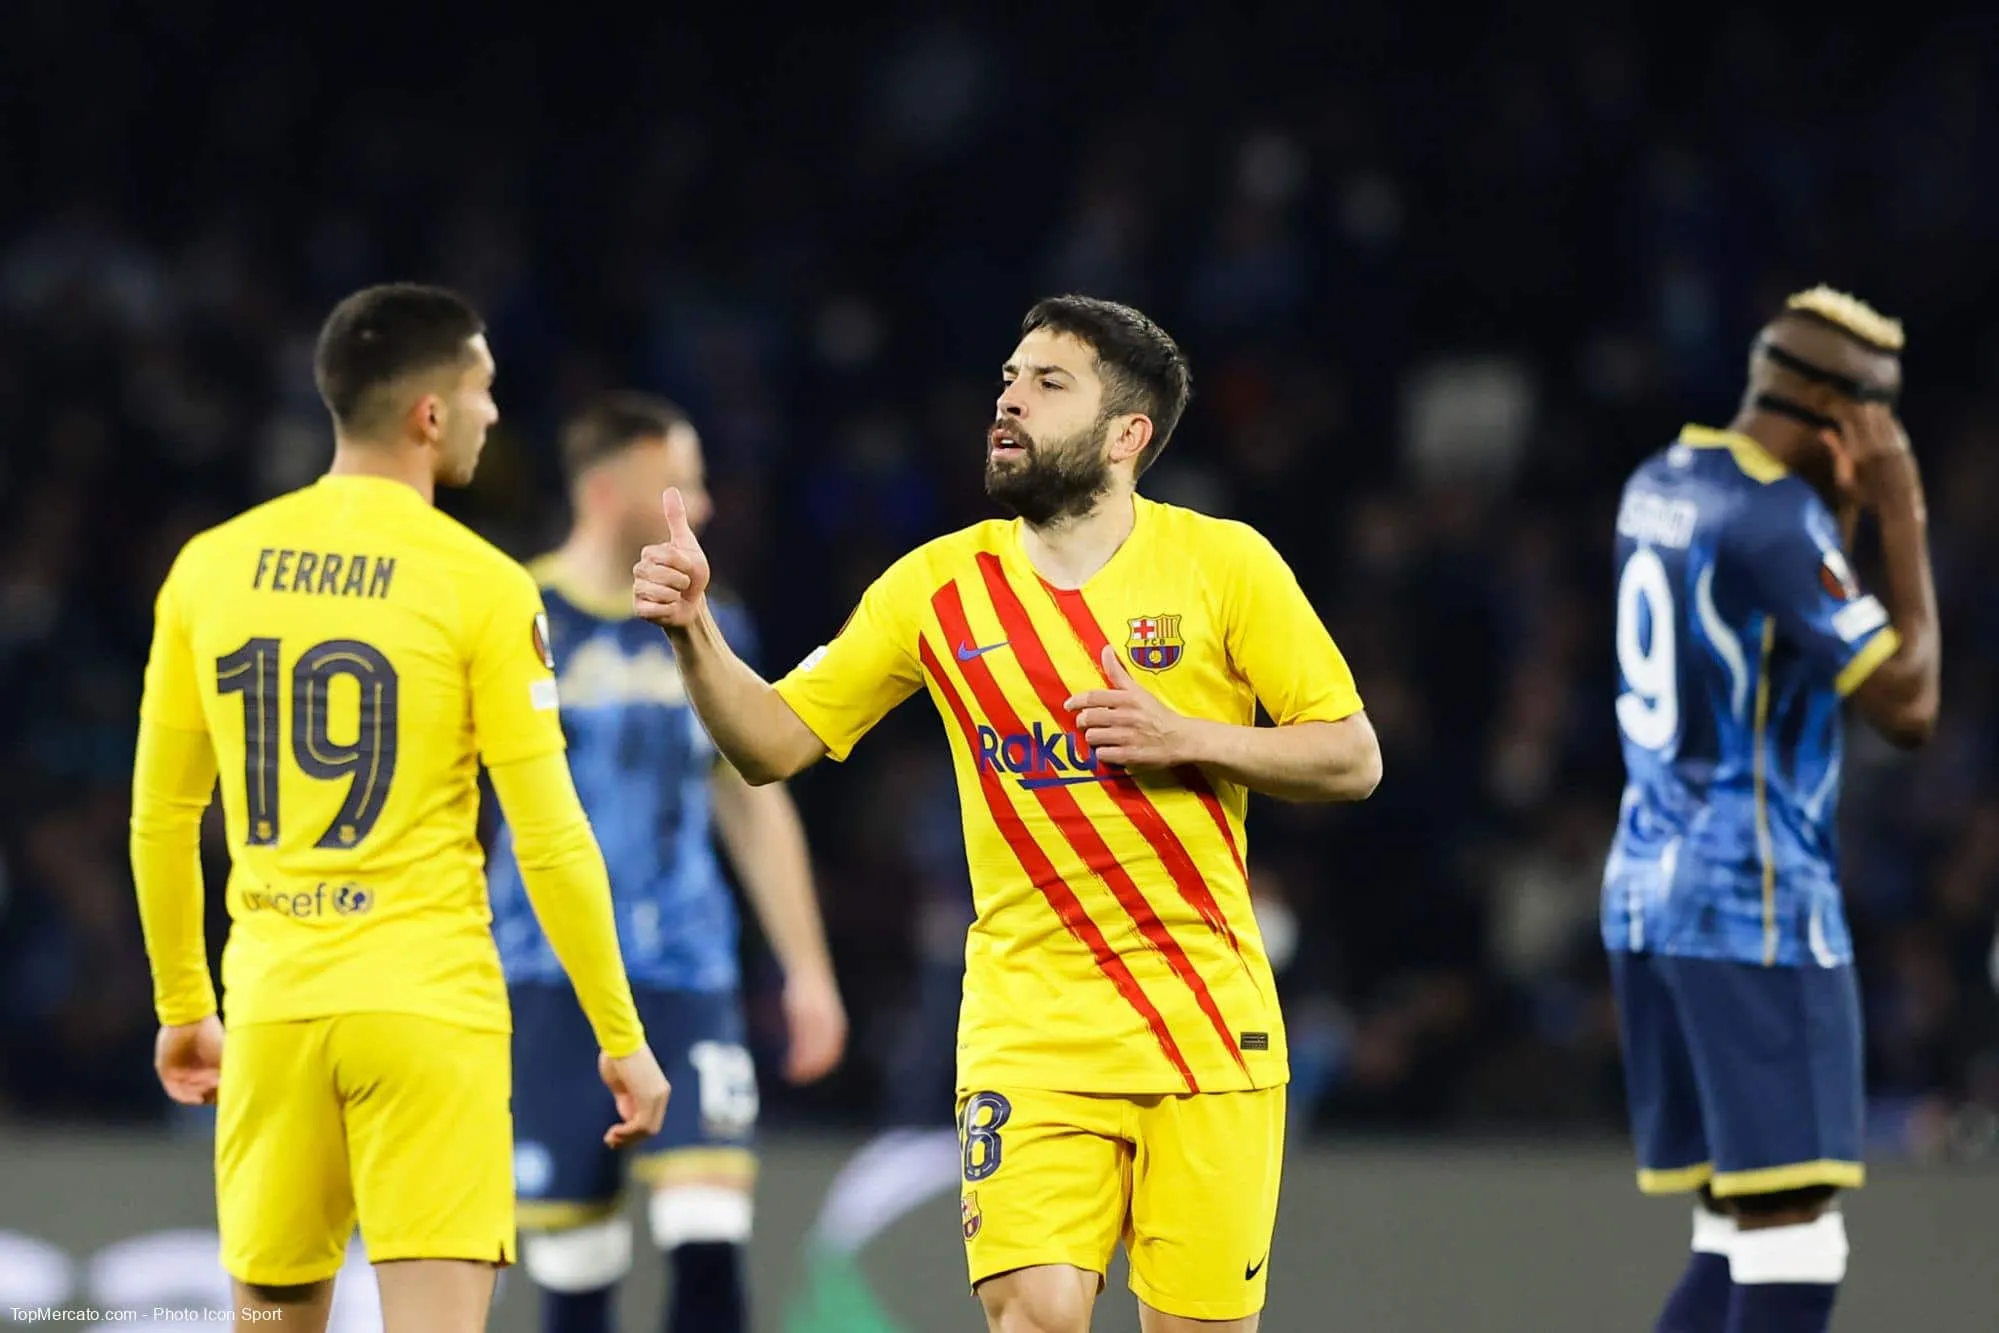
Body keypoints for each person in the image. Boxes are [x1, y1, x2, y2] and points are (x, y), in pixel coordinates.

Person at [634, 294, 1383, 1333]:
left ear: (1128, 435)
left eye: (1046, 383)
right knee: (1031, 1314)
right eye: (1006, 379)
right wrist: (693, 633)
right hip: (1028, 1031)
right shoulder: (935, 587)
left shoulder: (1224, 565)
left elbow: (1351, 755)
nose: (1008, 401)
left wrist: (1191, 736)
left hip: (1206, 1026)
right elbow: (768, 744)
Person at [129, 283, 670, 1333]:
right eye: (483, 390)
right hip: (429, 1013)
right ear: (430, 413)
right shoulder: (483, 584)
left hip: (276, 1011)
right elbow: (549, 831)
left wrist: (183, 1005)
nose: (494, 414)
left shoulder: (208, 569)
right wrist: (619, 1030)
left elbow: (160, 818)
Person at [1602, 285, 1941, 1333]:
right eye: (1880, 415)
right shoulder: (1773, 517)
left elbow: (1775, 624)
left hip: (1648, 886)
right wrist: (1902, 514)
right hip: (1752, 902)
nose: (1889, 438)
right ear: (1835, 414)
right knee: (1797, 1236)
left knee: (1734, 1227)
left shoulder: (1660, 480)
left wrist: (1837, 512)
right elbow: (1911, 705)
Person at [488, 392, 848, 1333]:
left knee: (707, 1229)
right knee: (576, 1262)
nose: (706, 501)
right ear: (610, 488)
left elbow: (754, 804)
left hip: (689, 970)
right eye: (680, 479)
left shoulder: (709, 623)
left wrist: (807, 969)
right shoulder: (509, 612)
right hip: (544, 974)